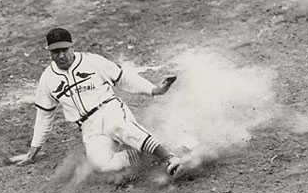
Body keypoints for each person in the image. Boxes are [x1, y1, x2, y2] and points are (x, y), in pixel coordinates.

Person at [9, 27, 183, 176]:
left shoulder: (92, 61)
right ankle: (150, 155)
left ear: (72, 47)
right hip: (88, 126)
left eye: (65, 49)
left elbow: (124, 78)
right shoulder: (47, 79)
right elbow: (44, 116)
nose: (61, 55)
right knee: (101, 165)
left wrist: (154, 90)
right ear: (49, 52)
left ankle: (169, 157)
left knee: (118, 125)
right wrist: (33, 152)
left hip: (109, 109)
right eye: (56, 52)